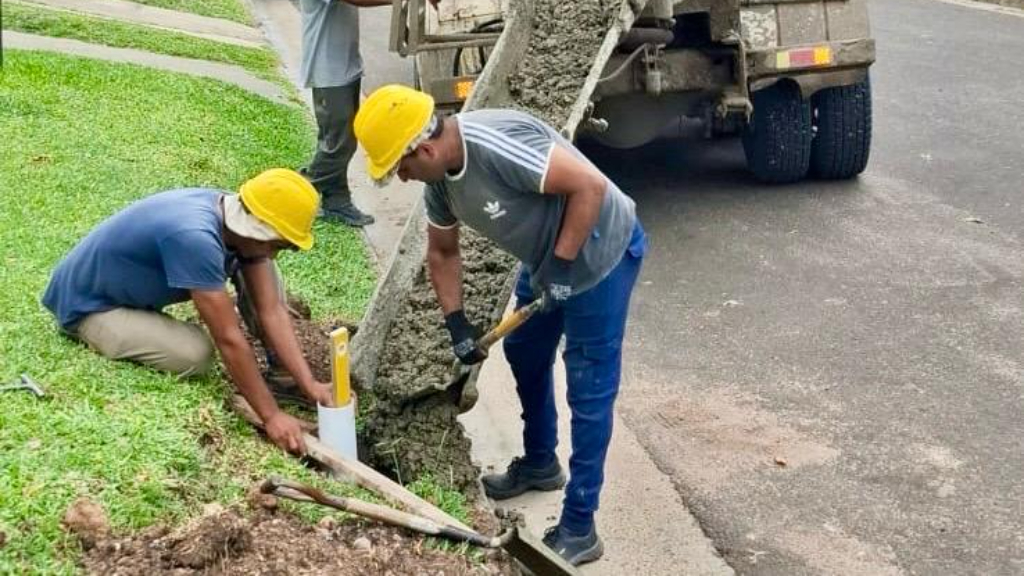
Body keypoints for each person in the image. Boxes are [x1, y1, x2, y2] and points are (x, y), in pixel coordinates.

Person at [353, 85, 647, 566]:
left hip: (599, 253)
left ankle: (580, 524)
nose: (403, 178)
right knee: (526, 351)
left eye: (401, 168)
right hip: (550, 261)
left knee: (588, 388)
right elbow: (443, 252)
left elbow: (589, 187)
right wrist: (456, 324)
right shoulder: (440, 183)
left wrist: (564, 266)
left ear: (423, 149)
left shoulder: (492, 145)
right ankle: (539, 462)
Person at [42, 169, 333, 455]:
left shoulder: (234, 216)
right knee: (196, 354)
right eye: (277, 244)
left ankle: (283, 379)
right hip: (91, 307)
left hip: (126, 291)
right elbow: (229, 339)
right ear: (255, 228)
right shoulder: (195, 237)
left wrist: (310, 385)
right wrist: (271, 417)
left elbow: (271, 311)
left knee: (266, 275)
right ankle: (104, 331)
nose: (275, 253)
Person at [298, 0, 392, 227]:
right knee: (339, 145)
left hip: (344, 68)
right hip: (328, 73)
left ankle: (336, 202)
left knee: (340, 140)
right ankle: (294, 190)